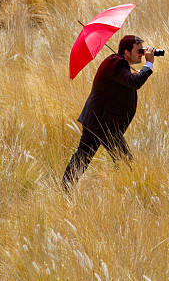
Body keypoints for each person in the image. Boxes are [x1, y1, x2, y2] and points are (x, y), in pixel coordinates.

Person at [62, 35, 155, 191]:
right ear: (126, 51)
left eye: (143, 50)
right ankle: (128, 194)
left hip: (97, 120)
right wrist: (149, 64)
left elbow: (126, 83)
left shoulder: (118, 64)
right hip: (104, 124)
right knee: (125, 162)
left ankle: (65, 189)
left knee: (83, 156)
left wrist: (135, 74)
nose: (142, 53)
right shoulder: (117, 63)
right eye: (138, 50)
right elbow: (135, 83)